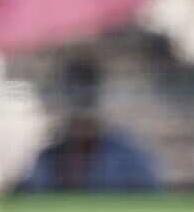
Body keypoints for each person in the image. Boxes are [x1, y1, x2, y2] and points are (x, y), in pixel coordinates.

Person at [16, 57, 159, 193]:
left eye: (86, 96)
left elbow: (152, 196)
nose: (79, 104)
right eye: (72, 93)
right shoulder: (48, 157)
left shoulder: (127, 156)